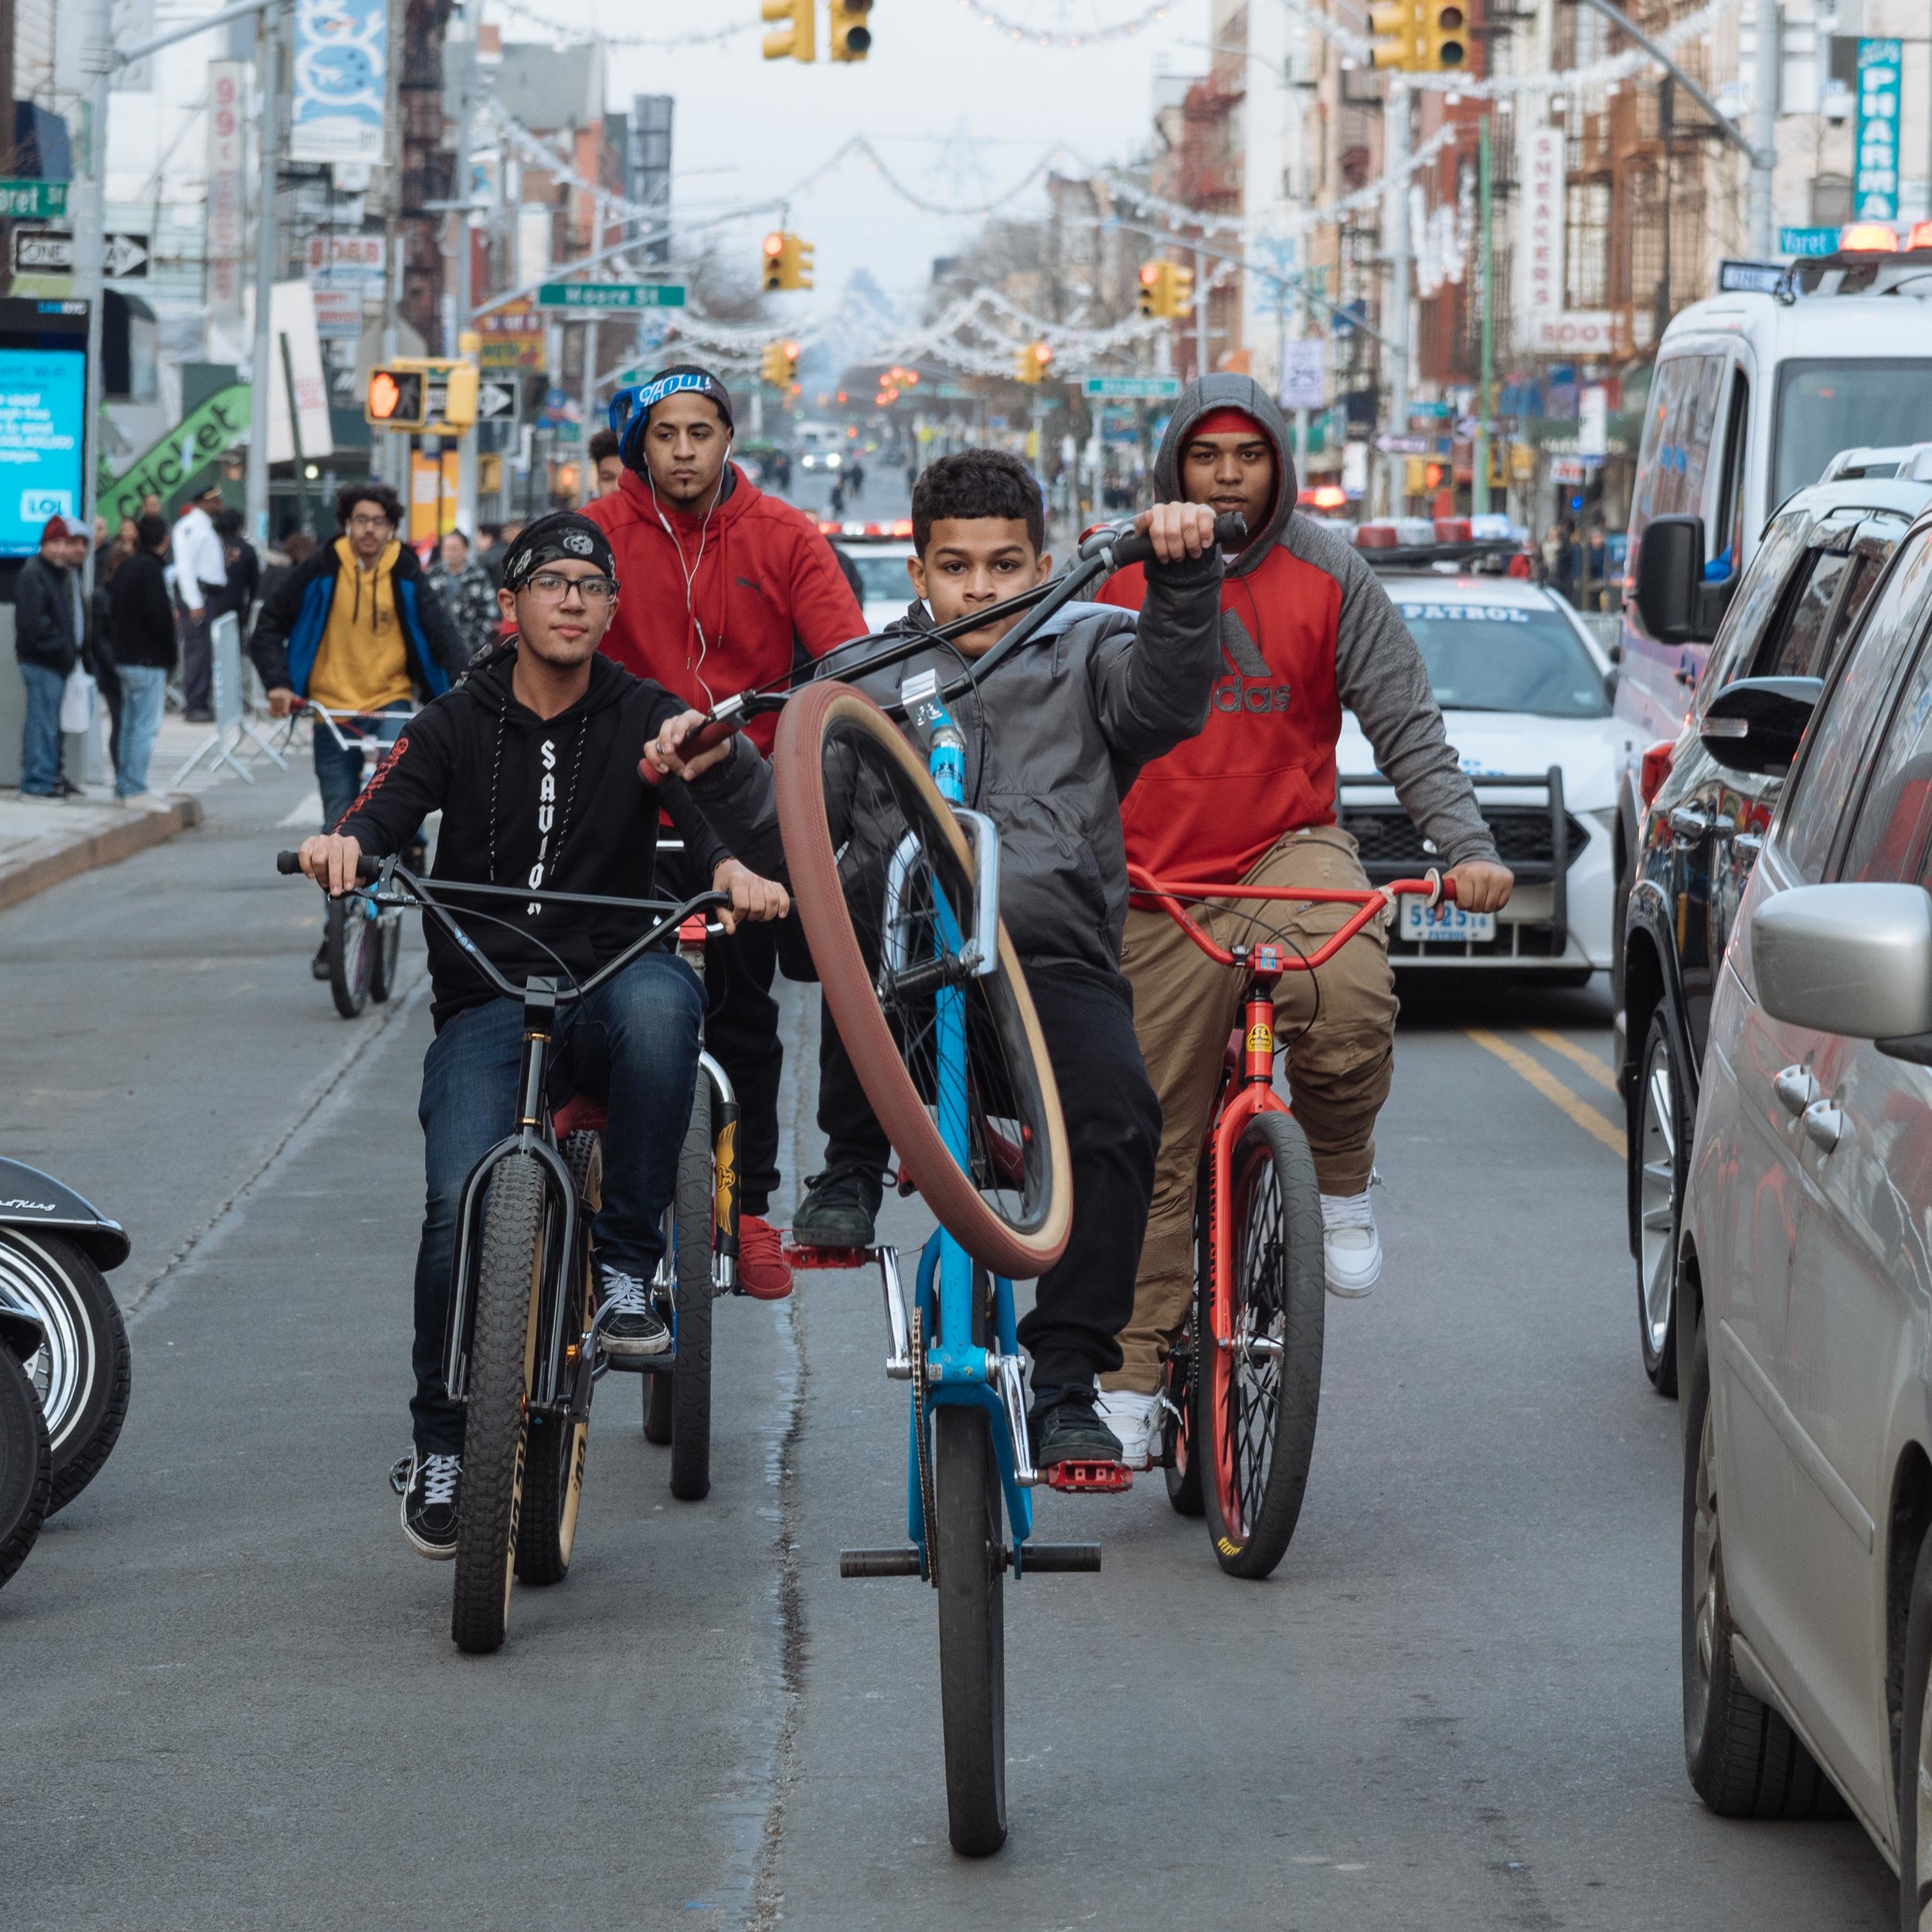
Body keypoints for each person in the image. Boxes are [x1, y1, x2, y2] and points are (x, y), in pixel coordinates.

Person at [654, 450, 1226, 1471]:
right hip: (906, 990)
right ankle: (850, 1163)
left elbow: (1173, 702)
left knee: (1122, 1120)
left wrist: (1182, 582)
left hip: (1048, 966)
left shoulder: (1091, 649)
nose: (982, 588)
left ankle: (1066, 1383)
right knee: (861, 894)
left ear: (1046, 563)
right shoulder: (860, 677)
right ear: (918, 574)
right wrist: (720, 767)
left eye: (1007, 566)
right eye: (956, 567)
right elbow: (790, 841)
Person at [294, 513, 790, 1555]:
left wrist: (734, 871)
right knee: (450, 1210)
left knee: (669, 1009)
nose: (572, 600)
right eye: (550, 583)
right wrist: (341, 847)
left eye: (590, 586)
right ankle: (440, 1440)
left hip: (610, 978)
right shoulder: (452, 722)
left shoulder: (647, 715)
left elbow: (705, 830)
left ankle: (622, 1271)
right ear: (511, 605)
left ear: (611, 611)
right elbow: (379, 813)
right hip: (485, 999)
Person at [1088, 374, 1514, 1465]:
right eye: (1206, 457)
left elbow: (1405, 721)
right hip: (1151, 878)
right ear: (1174, 465)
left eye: (1248, 456)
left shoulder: (1329, 569)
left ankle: (1339, 1173)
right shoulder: (1116, 564)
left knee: (1351, 988)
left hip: (1288, 847)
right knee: (1151, 1140)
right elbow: (1037, 706)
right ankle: (1133, 1376)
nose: (1228, 476)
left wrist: (1465, 848)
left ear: (1278, 462)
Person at [585, 362, 866, 1298]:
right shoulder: (598, 533)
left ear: (727, 437)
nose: (683, 451)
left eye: (700, 432)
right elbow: (537, 646)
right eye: (665, 434)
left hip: (748, 805)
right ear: (640, 443)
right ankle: (589, 1181)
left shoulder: (785, 534)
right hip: (625, 801)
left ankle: (748, 1212)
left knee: (746, 1018)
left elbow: (847, 662)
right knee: (605, 1002)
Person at [249, 481, 470, 979]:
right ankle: (337, 930)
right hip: (332, 708)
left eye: (379, 522)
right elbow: (267, 627)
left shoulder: (407, 573)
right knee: (338, 821)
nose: (369, 530)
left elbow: (442, 636)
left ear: (392, 529)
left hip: (390, 701)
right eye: (360, 521)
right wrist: (279, 684)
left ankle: (410, 837)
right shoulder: (319, 570)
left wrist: (465, 690)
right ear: (347, 524)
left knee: (400, 786)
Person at [13, 515, 87, 798]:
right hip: (42, 662)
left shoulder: (52, 574)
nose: (60, 549)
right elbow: (33, 626)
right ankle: (36, 784)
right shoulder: (35, 574)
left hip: (52, 663)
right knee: (41, 727)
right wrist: (62, 649)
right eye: (54, 542)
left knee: (47, 726)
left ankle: (44, 780)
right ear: (44, 544)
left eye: (63, 543)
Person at [107, 515, 178, 800]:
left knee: (127, 725)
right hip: (148, 661)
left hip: (124, 658)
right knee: (144, 728)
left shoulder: (125, 568)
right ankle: (134, 786)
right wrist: (170, 655)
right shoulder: (151, 571)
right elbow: (159, 617)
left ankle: (124, 783)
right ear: (165, 541)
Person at [172, 485, 227, 721]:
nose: (219, 505)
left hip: (208, 594)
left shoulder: (204, 526)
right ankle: (195, 705)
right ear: (204, 502)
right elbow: (185, 567)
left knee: (204, 652)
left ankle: (201, 701)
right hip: (199, 595)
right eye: (215, 501)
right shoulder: (191, 527)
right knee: (197, 651)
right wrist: (194, 601)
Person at [424, 528, 498, 662]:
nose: (449, 553)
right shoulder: (432, 574)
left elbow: (490, 612)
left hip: (471, 648)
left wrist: (478, 641)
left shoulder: (478, 576)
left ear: (466, 550)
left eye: (454, 548)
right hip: (437, 648)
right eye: (446, 548)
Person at [213, 506, 260, 630]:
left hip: (210, 608)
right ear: (239, 526)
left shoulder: (211, 547)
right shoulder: (247, 549)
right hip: (235, 609)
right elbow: (254, 586)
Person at [587, 427, 624, 498]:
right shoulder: (586, 510)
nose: (616, 487)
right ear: (597, 482)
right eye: (607, 478)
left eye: (626, 479)